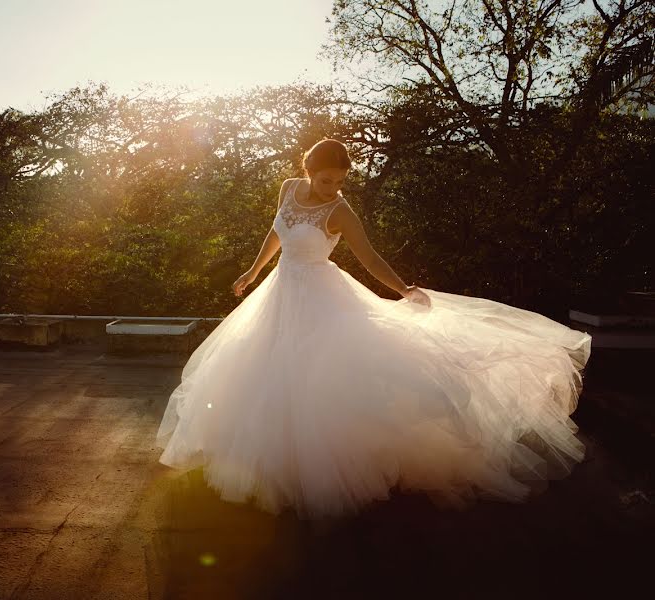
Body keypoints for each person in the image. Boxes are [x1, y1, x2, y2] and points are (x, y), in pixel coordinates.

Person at [155, 139, 592, 520]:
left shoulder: (340, 210)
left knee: (318, 379)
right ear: (308, 172)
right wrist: (251, 273)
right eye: (327, 180)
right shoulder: (289, 189)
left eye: (339, 180)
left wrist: (403, 288)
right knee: (264, 371)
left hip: (321, 296)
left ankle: (317, 469)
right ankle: (267, 462)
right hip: (278, 293)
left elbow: (368, 258)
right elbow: (275, 233)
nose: (334, 188)